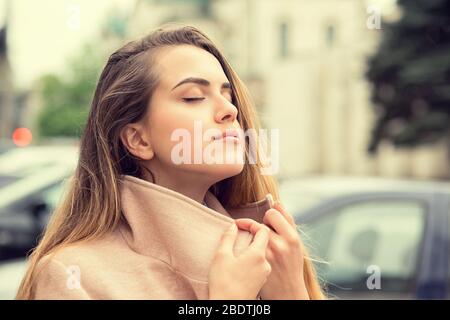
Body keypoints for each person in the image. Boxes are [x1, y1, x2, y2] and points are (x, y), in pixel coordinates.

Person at [16, 24, 324, 300]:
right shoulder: (73, 275)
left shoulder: (272, 253)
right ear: (138, 139)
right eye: (193, 97)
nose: (229, 111)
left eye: (227, 95)